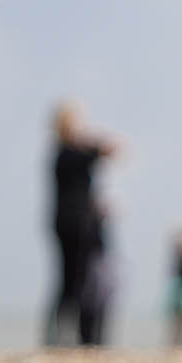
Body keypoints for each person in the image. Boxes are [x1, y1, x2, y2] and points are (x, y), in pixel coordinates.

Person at [44, 100, 119, 347]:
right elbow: (103, 150)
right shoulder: (66, 153)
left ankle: (75, 337)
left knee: (77, 282)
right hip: (72, 226)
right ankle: (64, 337)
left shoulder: (65, 154)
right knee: (73, 282)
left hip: (75, 223)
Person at [81, 197, 120, 346]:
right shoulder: (90, 225)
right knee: (92, 305)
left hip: (99, 270)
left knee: (100, 307)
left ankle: (96, 340)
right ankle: (90, 339)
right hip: (94, 271)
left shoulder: (98, 226)